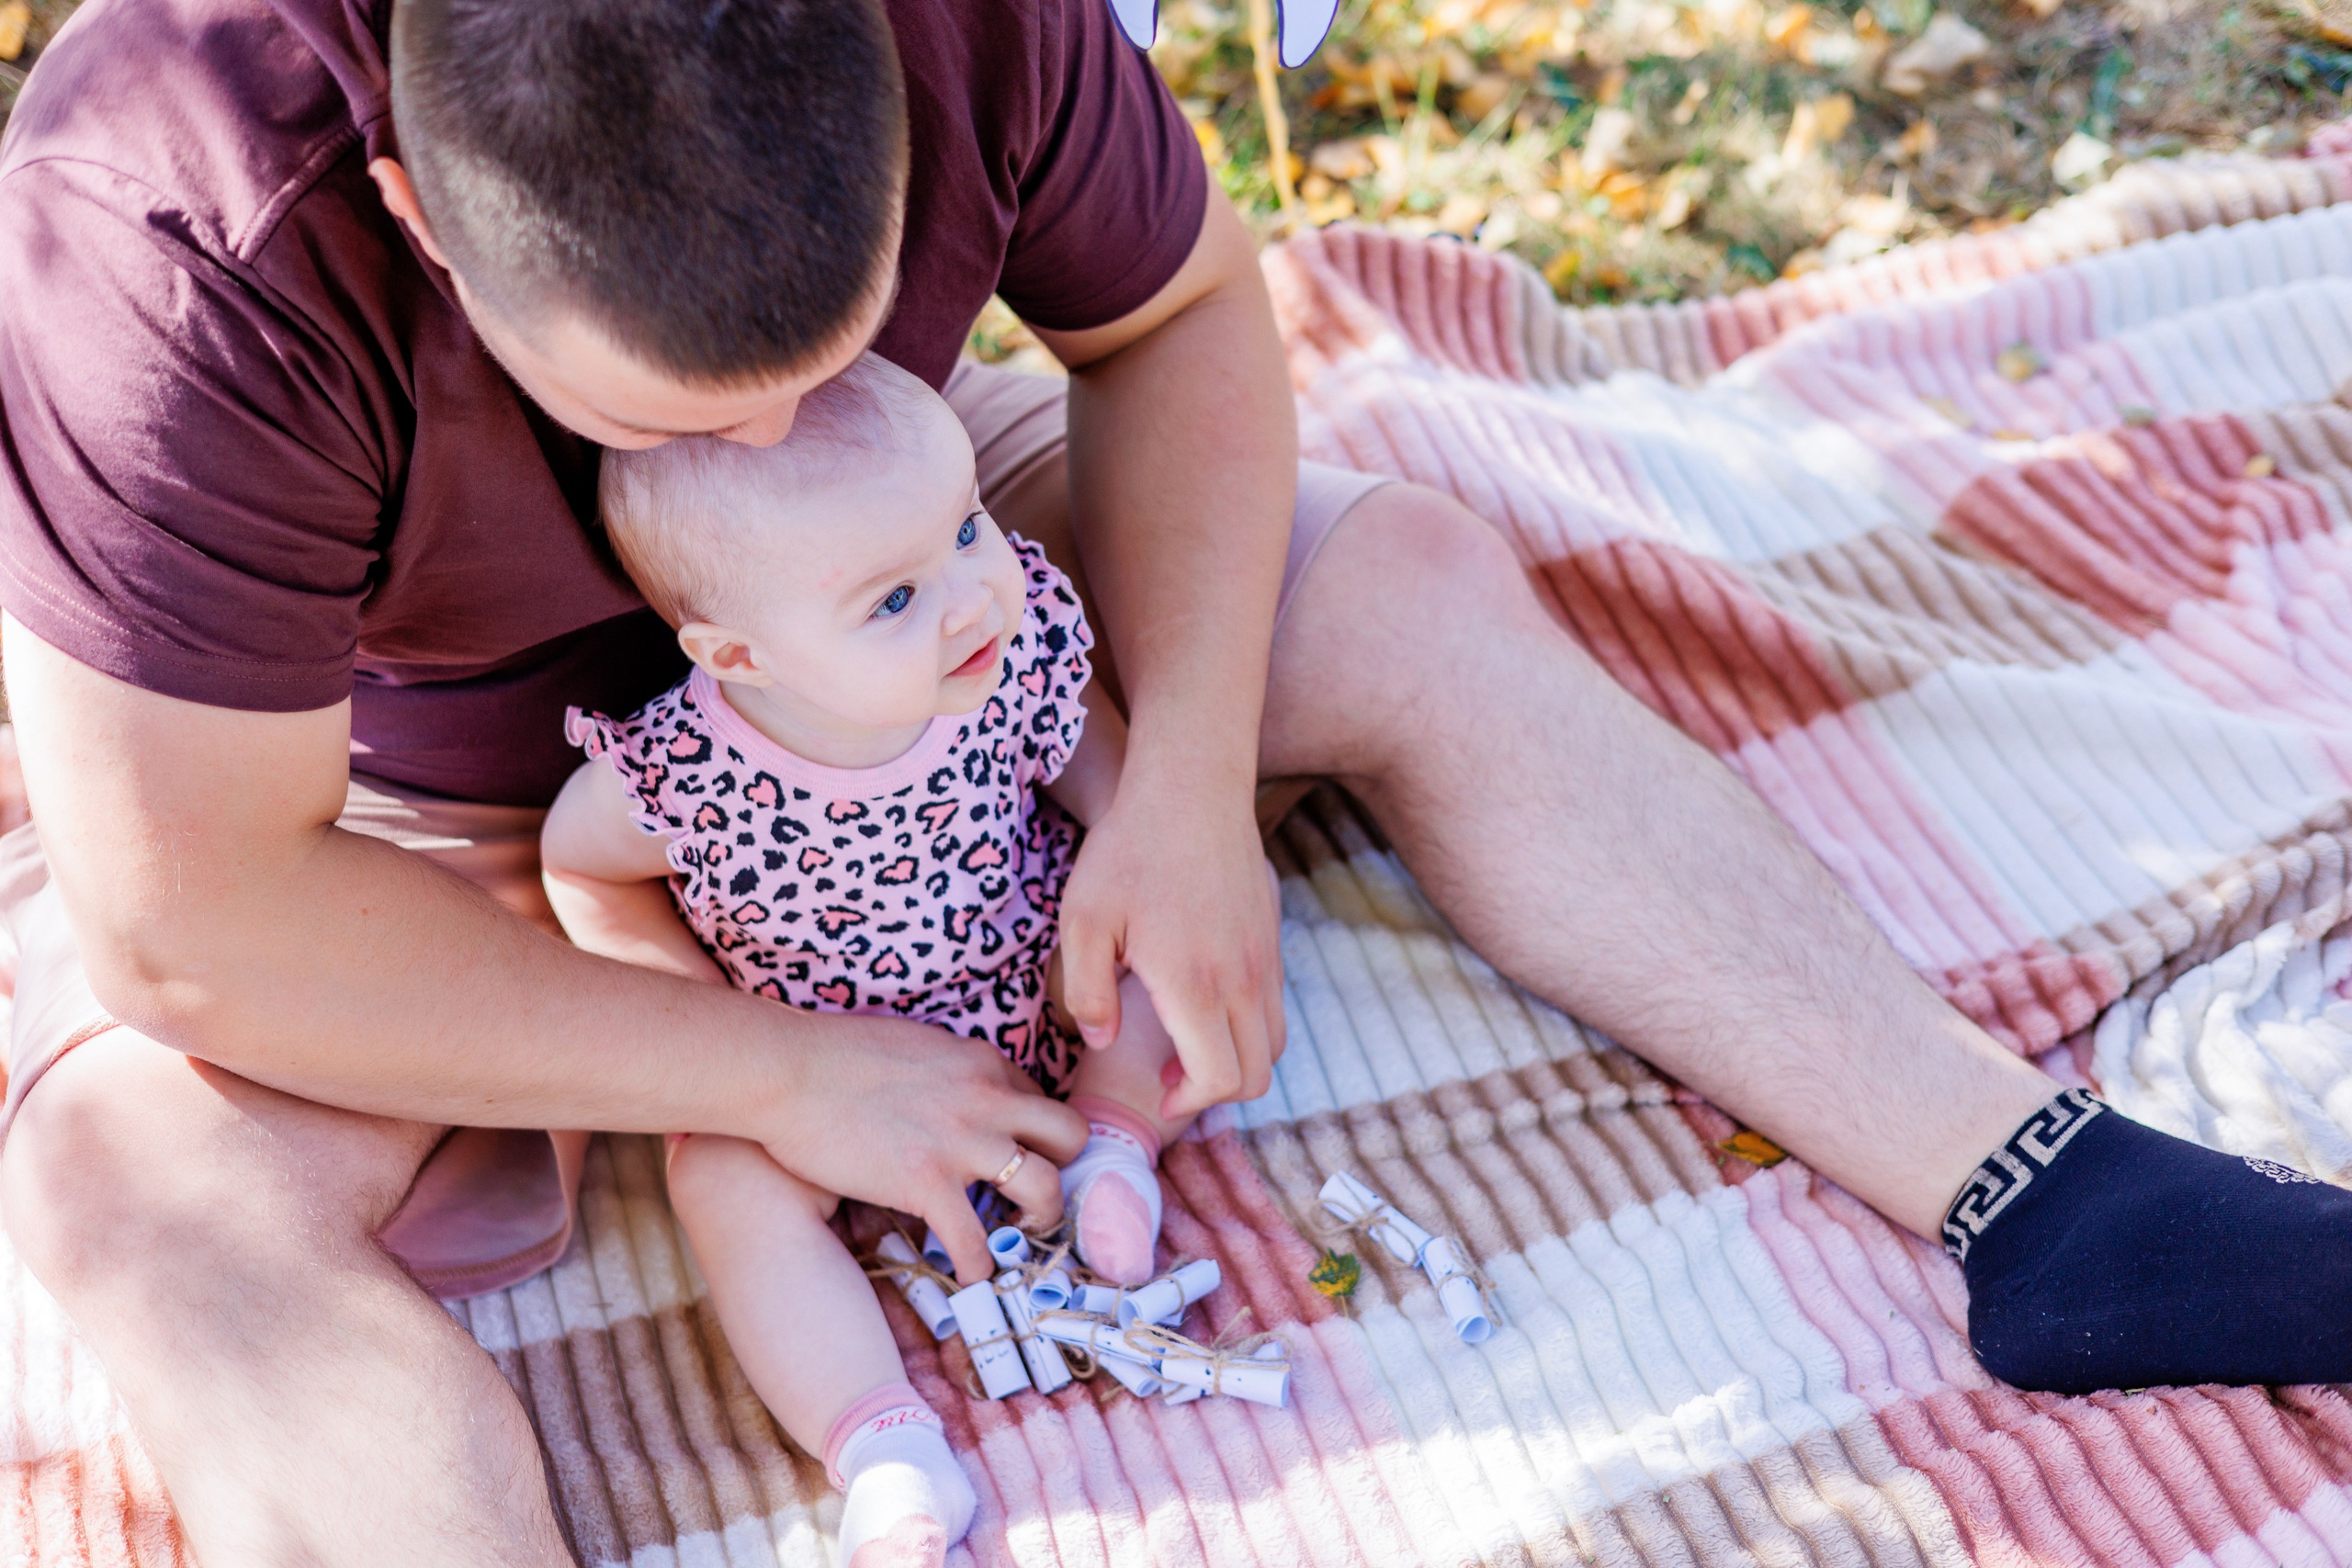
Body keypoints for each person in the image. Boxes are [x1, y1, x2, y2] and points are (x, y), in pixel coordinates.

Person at [0, 0, 2347, 1559]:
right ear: (423, 216)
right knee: (145, 1201)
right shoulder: (164, 233)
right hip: (409, 797)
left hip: (930, 572)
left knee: (1411, 576)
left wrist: (1182, 785)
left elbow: (1178, 318)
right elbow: (198, 919)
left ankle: (2039, 1190)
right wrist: (770, 1068)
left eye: (824, 352)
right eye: (672, 415)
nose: (761, 441)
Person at [540, 354, 1238, 1563]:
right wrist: (718, 1041)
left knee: (1155, 960)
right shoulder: (686, 776)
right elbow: (581, 872)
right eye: (894, 600)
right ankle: (883, 1444)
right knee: (720, 1180)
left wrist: (1138, 878)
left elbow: (1122, 803)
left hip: (1032, 975)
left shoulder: (1009, 651)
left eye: (965, 528)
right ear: (738, 657)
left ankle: (1112, 1140)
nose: (969, 600)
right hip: (815, 1066)